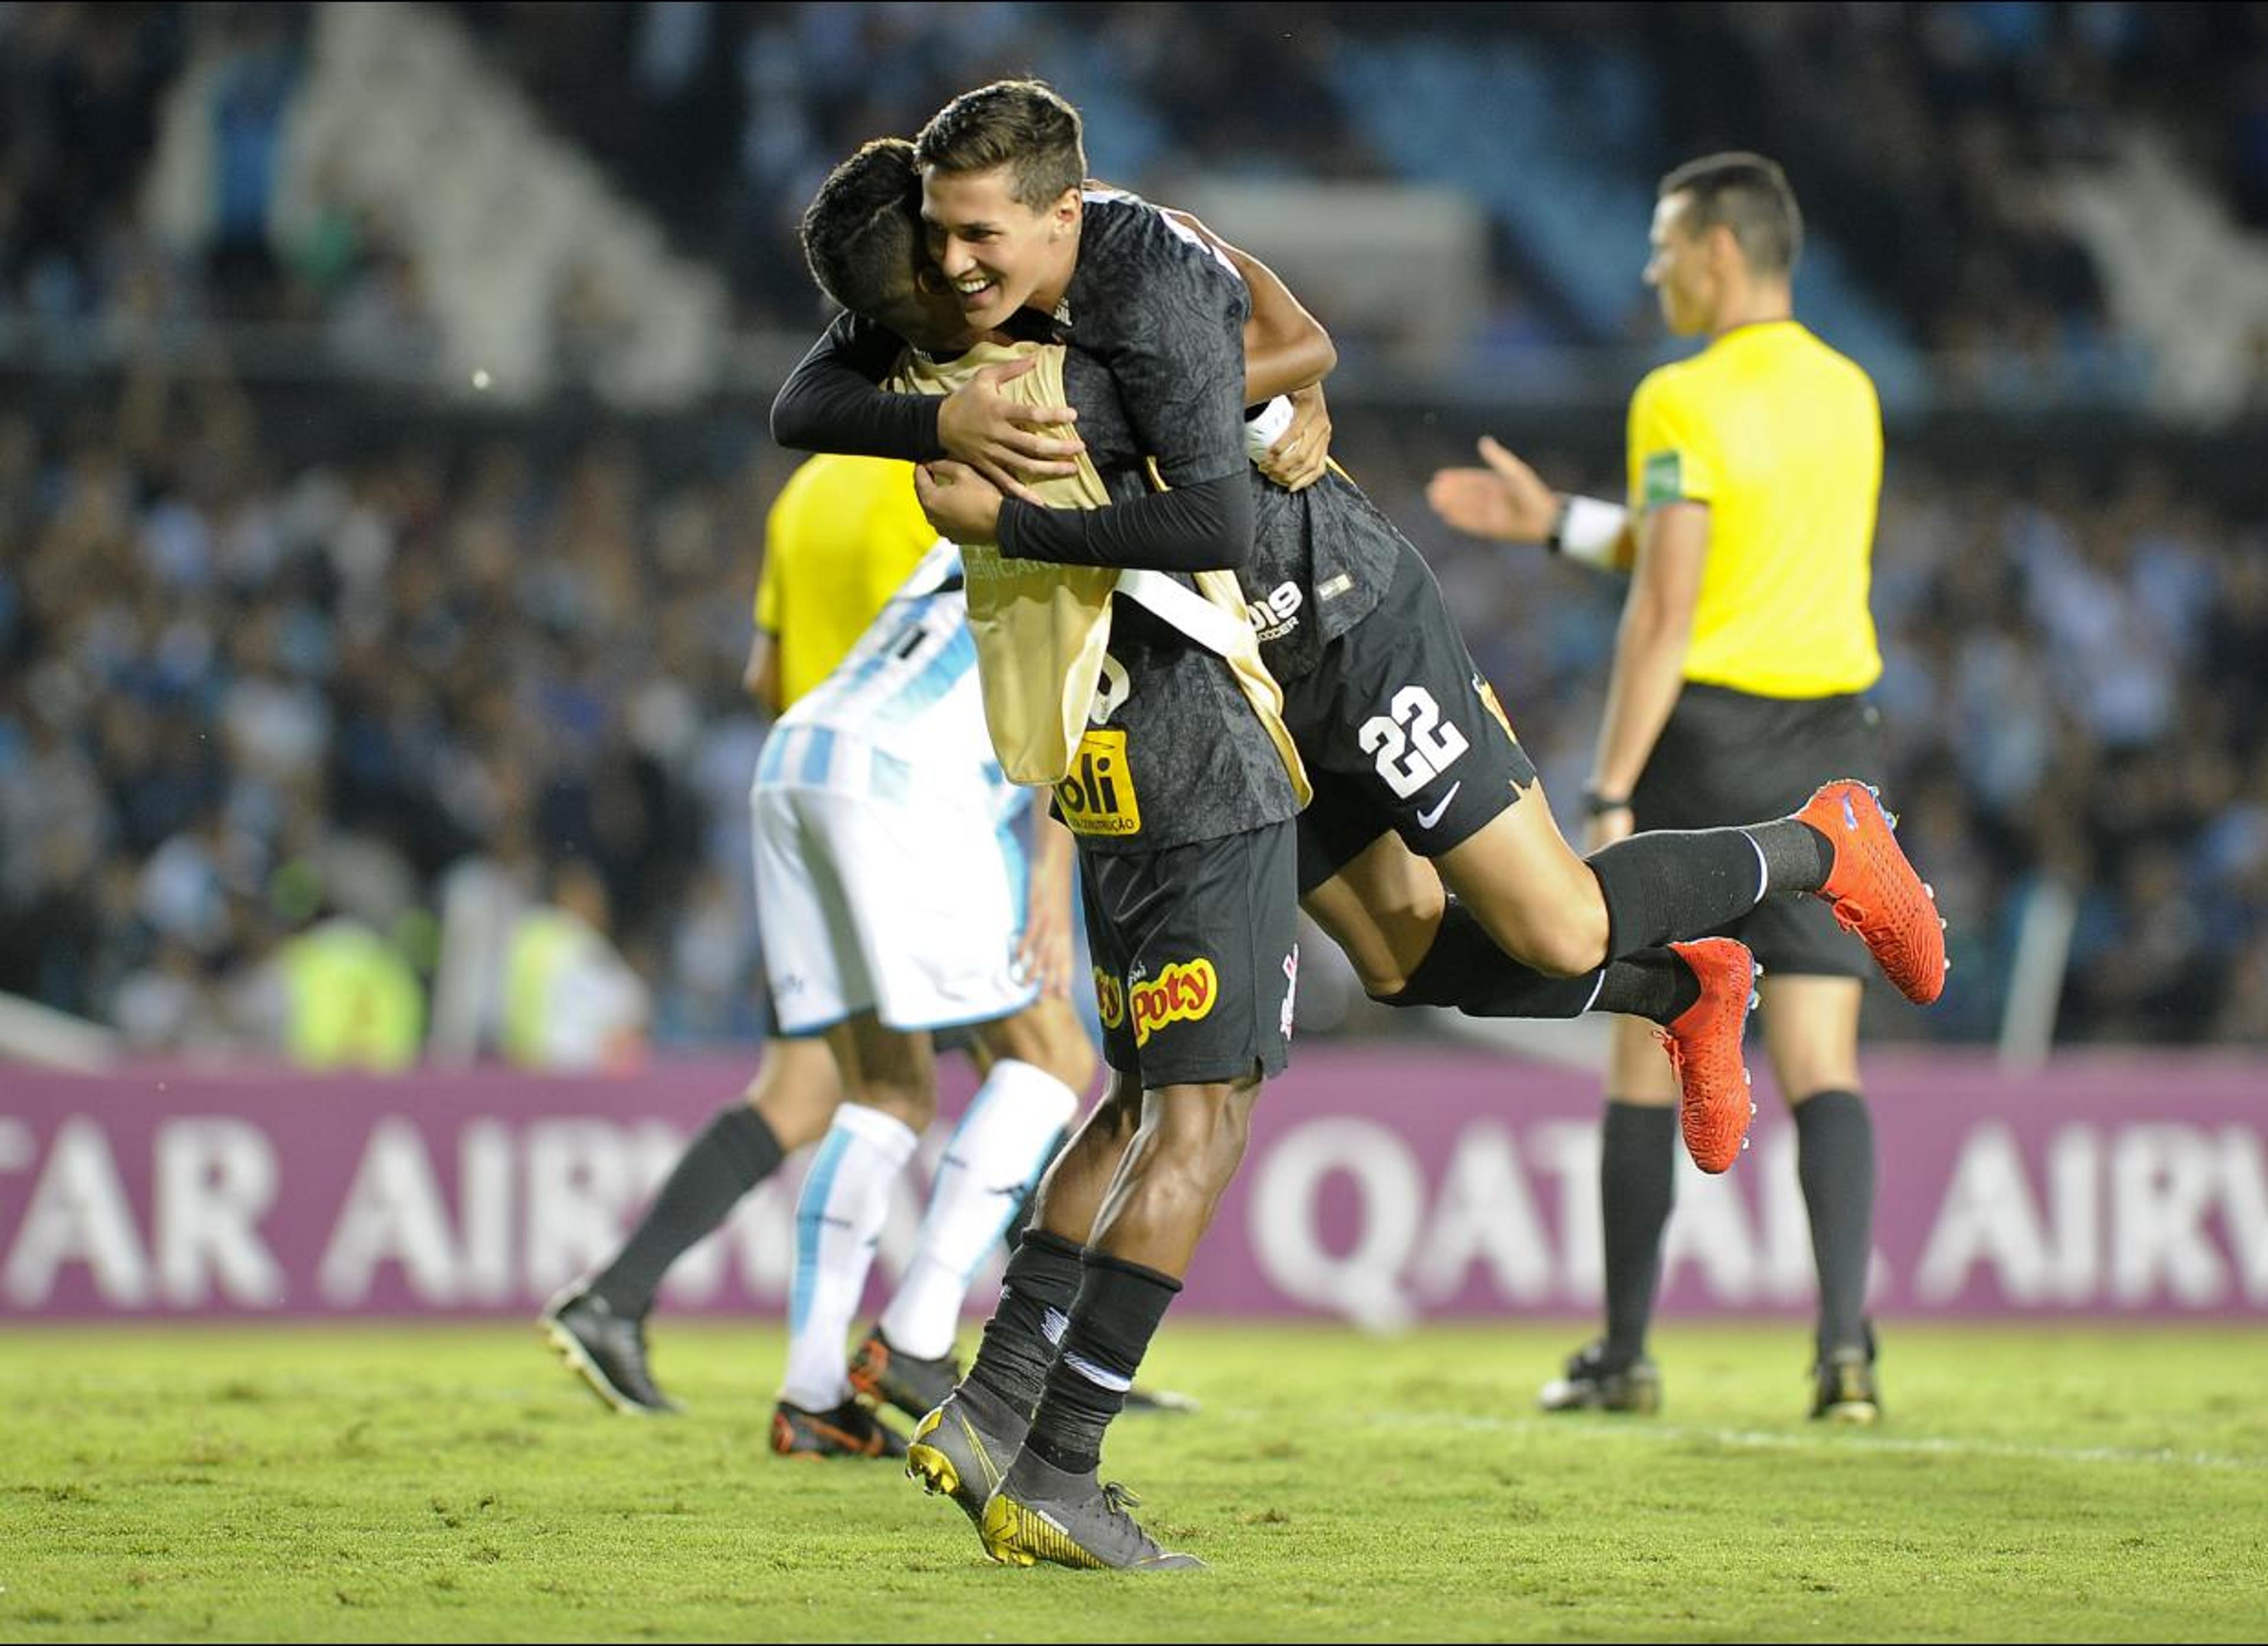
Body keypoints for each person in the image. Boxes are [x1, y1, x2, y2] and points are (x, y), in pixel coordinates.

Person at [774, 99, 1943, 1566]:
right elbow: (803, 405)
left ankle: (1824, 844)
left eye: (971, 246)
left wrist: (1147, 433)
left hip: (1340, 620)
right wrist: (950, 416)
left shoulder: (1132, 259)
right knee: (1401, 958)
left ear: (1048, 214)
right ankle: (1682, 985)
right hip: (1226, 674)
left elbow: (1296, 340)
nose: (952, 280)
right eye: (932, 264)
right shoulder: (951, 325)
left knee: (1560, 920)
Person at [1426, 152, 1930, 1423]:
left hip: (1705, 735)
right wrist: (1561, 523)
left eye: (1663, 243)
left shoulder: (1679, 395)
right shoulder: (1853, 389)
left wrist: (1610, 783)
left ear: (1717, 248)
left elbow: (1671, 600)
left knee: (1660, 1036)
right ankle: (1845, 1354)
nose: (1650, 268)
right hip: (1830, 743)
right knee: (1822, 1052)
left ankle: (1627, 1348)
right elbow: (1728, 541)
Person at [540, 451, 959, 1418]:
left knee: (804, 1089)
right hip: (899, 807)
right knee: (1030, 1053)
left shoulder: (810, 485)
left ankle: (614, 1299)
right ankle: (1043, 1350)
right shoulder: (943, 477)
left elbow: (764, 670)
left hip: (802, 811)